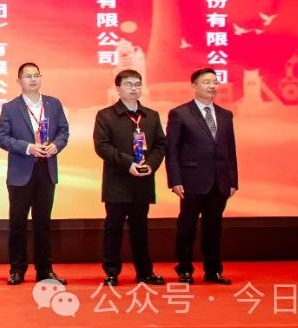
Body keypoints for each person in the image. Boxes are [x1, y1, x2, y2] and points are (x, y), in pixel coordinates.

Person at [0, 62, 70, 285]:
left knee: (43, 223)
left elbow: (63, 131)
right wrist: (28, 147)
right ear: (19, 81)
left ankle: (45, 270)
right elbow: (2, 137)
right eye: (28, 76)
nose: (33, 79)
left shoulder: (53, 104)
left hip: (46, 171)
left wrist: (56, 145)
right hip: (21, 172)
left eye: (36, 75)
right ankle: (17, 270)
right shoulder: (10, 107)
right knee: (18, 222)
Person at [93, 70, 166, 286]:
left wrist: (151, 165)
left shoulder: (151, 116)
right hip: (117, 181)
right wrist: (128, 164)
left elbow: (160, 145)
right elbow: (102, 146)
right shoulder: (106, 115)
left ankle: (145, 272)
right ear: (118, 88)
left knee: (140, 229)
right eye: (128, 84)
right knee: (113, 228)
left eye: (137, 84)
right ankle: (111, 272)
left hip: (143, 181)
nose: (134, 88)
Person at [166, 67, 239, 285]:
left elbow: (230, 150)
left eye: (215, 82)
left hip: (220, 181)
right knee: (187, 226)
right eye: (206, 82)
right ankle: (184, 269)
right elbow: (172, 150)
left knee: (213, 227)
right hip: (191, 180)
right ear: (194, 86)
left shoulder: (225, 115)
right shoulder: (180, 113)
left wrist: (233, 180)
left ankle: (213, 271)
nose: (212, 86)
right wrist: (175, 180)